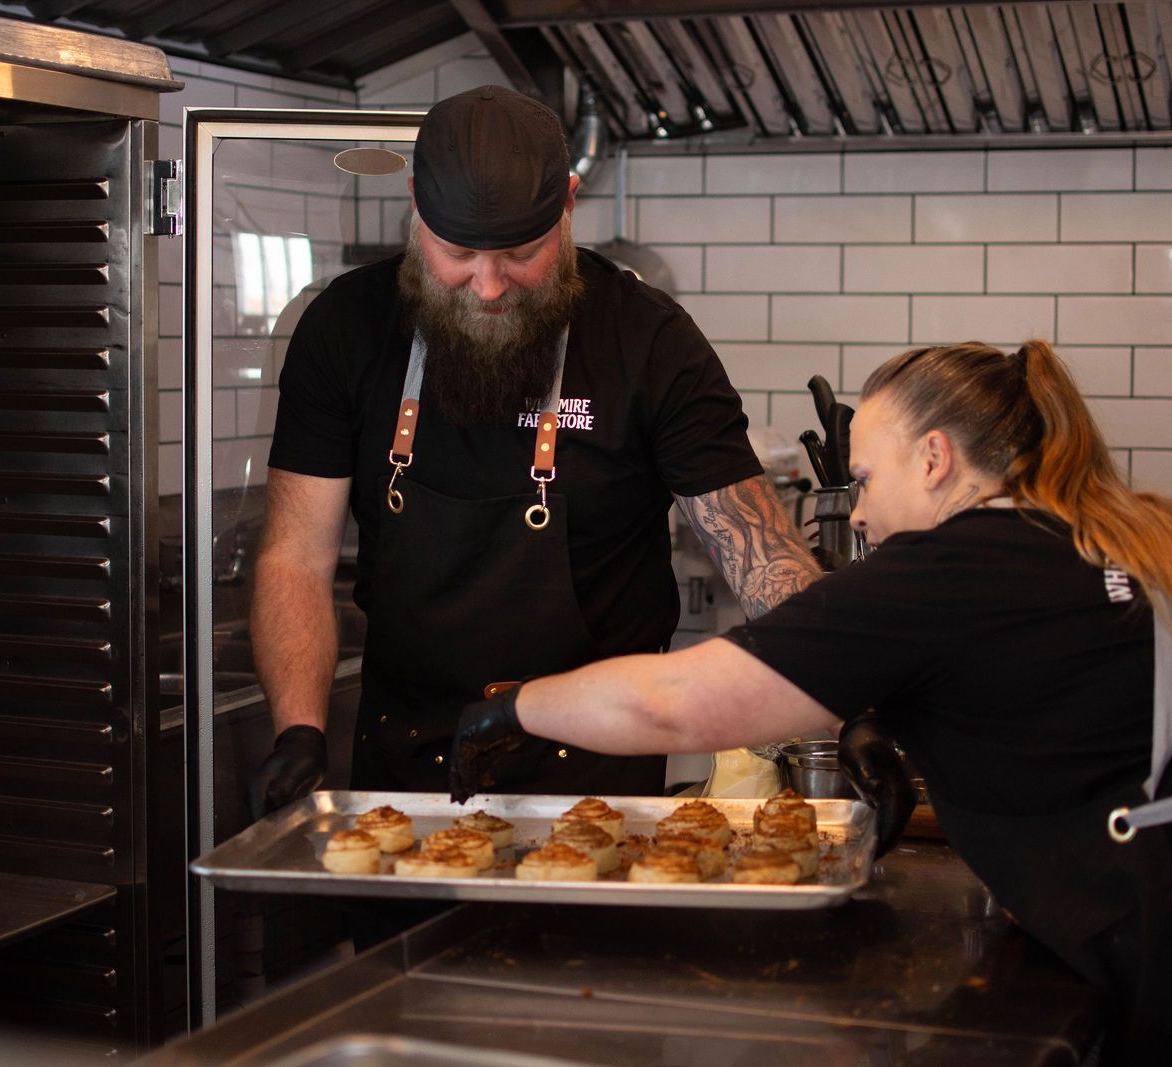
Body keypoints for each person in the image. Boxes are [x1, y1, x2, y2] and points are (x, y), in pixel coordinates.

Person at [450, 340, 1172, 1063]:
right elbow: (1055, 704)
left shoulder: (955, 565)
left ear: (934, 459)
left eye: (868, 479)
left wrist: (514, 705)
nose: (856, 512)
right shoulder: (1098, 530)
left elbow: (679, 704)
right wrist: (892, 719)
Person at [248, 85, 820, 815]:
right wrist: (299, 728)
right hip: (403, 776)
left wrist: (848, 694)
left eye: (522, 252)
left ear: (570, 203)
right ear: (417, 203)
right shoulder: (344, 329)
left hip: (598, 781)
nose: (488, 287)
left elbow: (759, 552)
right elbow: (295, 554)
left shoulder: (649, 342)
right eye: (457, 252)